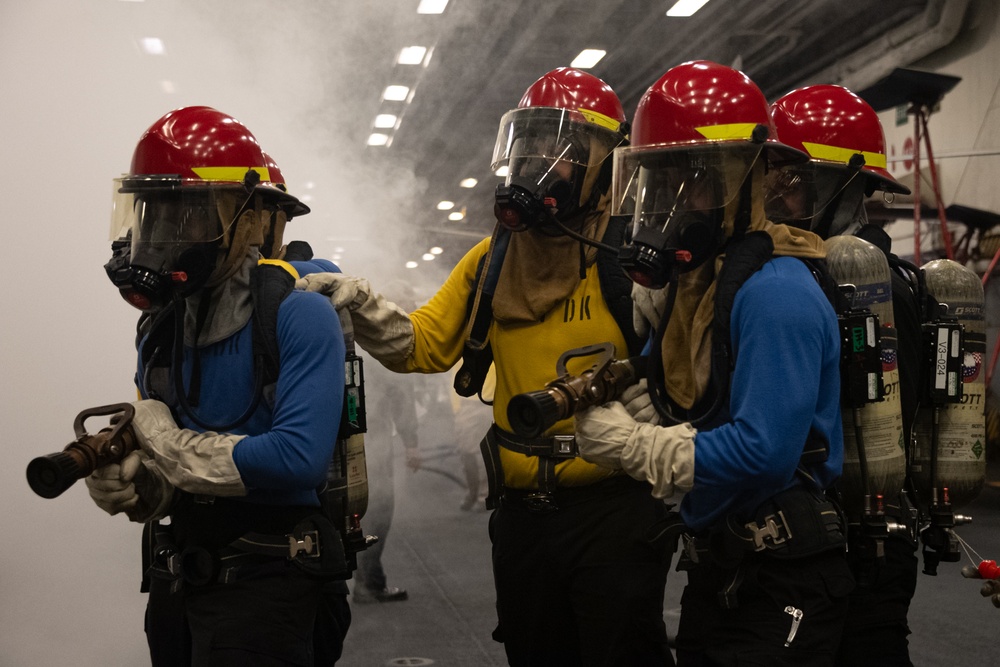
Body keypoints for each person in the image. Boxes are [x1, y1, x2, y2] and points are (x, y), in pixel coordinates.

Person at [300, 67, 675, 666]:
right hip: (522, 518)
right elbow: (422, 345)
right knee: (534, 652)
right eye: (527, 145)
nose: (536, 163)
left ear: (607, 161)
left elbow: (688, 354)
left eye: (560, 150)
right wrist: (364, 305)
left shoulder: (632, 253)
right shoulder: (492, 257)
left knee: (621, 652)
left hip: (615, 510)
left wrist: (662, 396)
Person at [572, 61, 854, 665]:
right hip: (717, 570)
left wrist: (635, 447)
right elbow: (672, 391)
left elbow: (765, 452)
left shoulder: (776, 291)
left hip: (784, 577)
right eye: (655, 180)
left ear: (748, 183)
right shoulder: (696, 289)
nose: (669, 203)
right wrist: (628, 401)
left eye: (693, 180)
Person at [84, 106, 350, 665]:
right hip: (178, 581)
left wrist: (165, 445)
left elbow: (297, 459)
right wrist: (142, 488)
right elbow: (171, 466)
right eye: (154, 214)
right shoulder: (159, 327)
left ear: (250, 219)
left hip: (270, 585)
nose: (162, 236)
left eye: (188, 215)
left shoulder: (301, 316)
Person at [768, 84, 919, 667]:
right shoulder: (794, 273)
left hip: (864, 536)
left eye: (795, 182)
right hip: (810, 538)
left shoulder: (878, 289)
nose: (780, 198)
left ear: (846, 187)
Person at [352, 283, 421, 604]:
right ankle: (370, 583)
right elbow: (401, 397)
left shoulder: (350, 333)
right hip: (375, 439)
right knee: (379, 508)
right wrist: (411, 444)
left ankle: (359, 579)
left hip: (345, 438)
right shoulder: (388, 340)